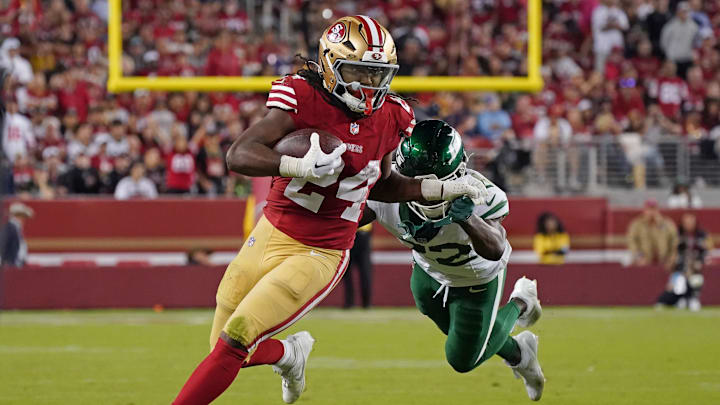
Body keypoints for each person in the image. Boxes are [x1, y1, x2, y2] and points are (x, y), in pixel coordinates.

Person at [172, 16, 487, 405]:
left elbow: (383, 184)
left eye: (378, 74)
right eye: (358, 71)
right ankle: (290, 354)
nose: (369, 85)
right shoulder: (302, 96)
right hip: (271, 230)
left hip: (321, 250)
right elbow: (238, 154)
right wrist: (295, 166)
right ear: (331, 64)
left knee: (237, 338)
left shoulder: (393, 116)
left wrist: (436, 188)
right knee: (223, 347)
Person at [360, 120, 545, 401]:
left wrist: (468, 218)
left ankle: (521, 303)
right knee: (457, 330)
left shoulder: (480, 193)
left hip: (477, 281)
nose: (426, 189)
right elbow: (344, 219)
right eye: (417, 180)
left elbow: (496, 248)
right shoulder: (387, 193)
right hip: (427, 273)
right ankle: (521, 353)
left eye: (434, 180)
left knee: (461, 359)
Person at [656, 213, 710, 311]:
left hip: (696, 269)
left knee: (696, 279)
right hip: (680, 269)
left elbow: (706, 250)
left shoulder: (702, 235)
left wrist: (697, 263)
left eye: (691, 222)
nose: (689, 224)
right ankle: (678, 299)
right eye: (687, 222)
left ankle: (693, 299)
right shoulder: (678, 235)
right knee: (677, 285)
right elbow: (674, 253)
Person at [627, 199, 678, 268]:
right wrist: (639, 257)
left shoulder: (667, 224)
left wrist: (671, 259)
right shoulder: (637, 224)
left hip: (663, 262)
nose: (651, 212)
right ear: (645, 210)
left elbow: (674, 242)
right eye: (649, 209)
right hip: (643, 262)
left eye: (653, 209)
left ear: (657, 210)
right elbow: (631, 241)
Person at [343, 224, 373, 308]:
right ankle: (365, 303)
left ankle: (351, 303)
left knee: (362, 271)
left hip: (351, 232)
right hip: (361, 233)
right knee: (363, 270)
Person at [0, 202, 34, 267]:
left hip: (15, 264)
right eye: (23, 216)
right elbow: (3, 246)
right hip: (11, 264)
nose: (24, 219)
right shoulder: (9, 228)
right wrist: (4, 263)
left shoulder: (15, 228)